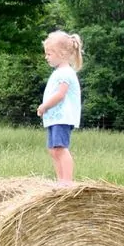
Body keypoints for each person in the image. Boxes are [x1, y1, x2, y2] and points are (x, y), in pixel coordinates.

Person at [36, 30, 83, 185]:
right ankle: (60, 180)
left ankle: (67, 182)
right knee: (53, 150)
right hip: (55, 118)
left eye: (49, 53)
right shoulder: (59, 72)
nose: (46, 57)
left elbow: (60, 94)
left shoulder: (66, 73)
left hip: (63, 118)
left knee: (60, 148)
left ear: (62, 54)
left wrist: (44, 106)